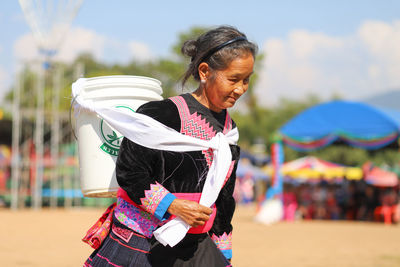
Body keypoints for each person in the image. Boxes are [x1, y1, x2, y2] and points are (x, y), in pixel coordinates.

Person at [83, 25, 257, 267]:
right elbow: (130, 173)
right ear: (205, 72)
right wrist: (172, 205)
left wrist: (223, 254)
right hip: (140, 241)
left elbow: (224, 200)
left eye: (246, 80)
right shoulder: (160, 115)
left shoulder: (229, 132)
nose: (240, 89)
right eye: (233, 79)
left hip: (194, 245)